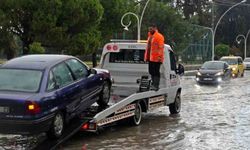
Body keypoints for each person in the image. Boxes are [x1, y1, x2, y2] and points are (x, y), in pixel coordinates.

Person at [144, 24, 165, 91]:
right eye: (149, 29)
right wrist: (146, 57)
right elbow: (148, 48)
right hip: (151, 58)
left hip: (157, 58)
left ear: (155, 28)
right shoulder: (150, 36)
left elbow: (160, 48)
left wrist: (159, 57)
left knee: (156, 71)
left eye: (151, 29)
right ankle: (153, 84)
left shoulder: (159, 36)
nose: (150, 30)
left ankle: (156, 85)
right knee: (151, 71)